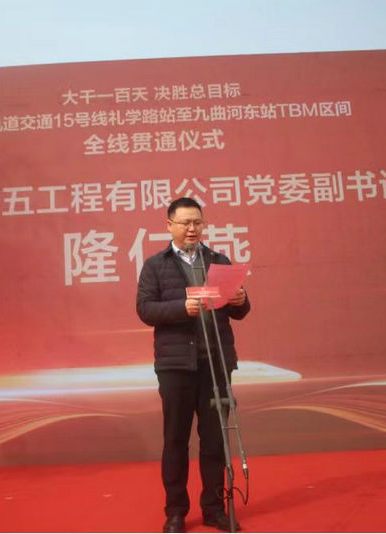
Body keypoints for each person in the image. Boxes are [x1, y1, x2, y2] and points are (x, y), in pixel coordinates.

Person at [136, 197, 251, 533]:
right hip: (176, 366)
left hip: (215, 363)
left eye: (197, 222)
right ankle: (175, 512)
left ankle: (214, 508)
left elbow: (239, 311)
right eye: (185, 222)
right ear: (169, 225)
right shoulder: (155, 265)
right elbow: (145, 309)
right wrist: (180, 307)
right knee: (176, 439)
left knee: (214, 439)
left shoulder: (217, 260)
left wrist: (241, 300)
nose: (191, 229)